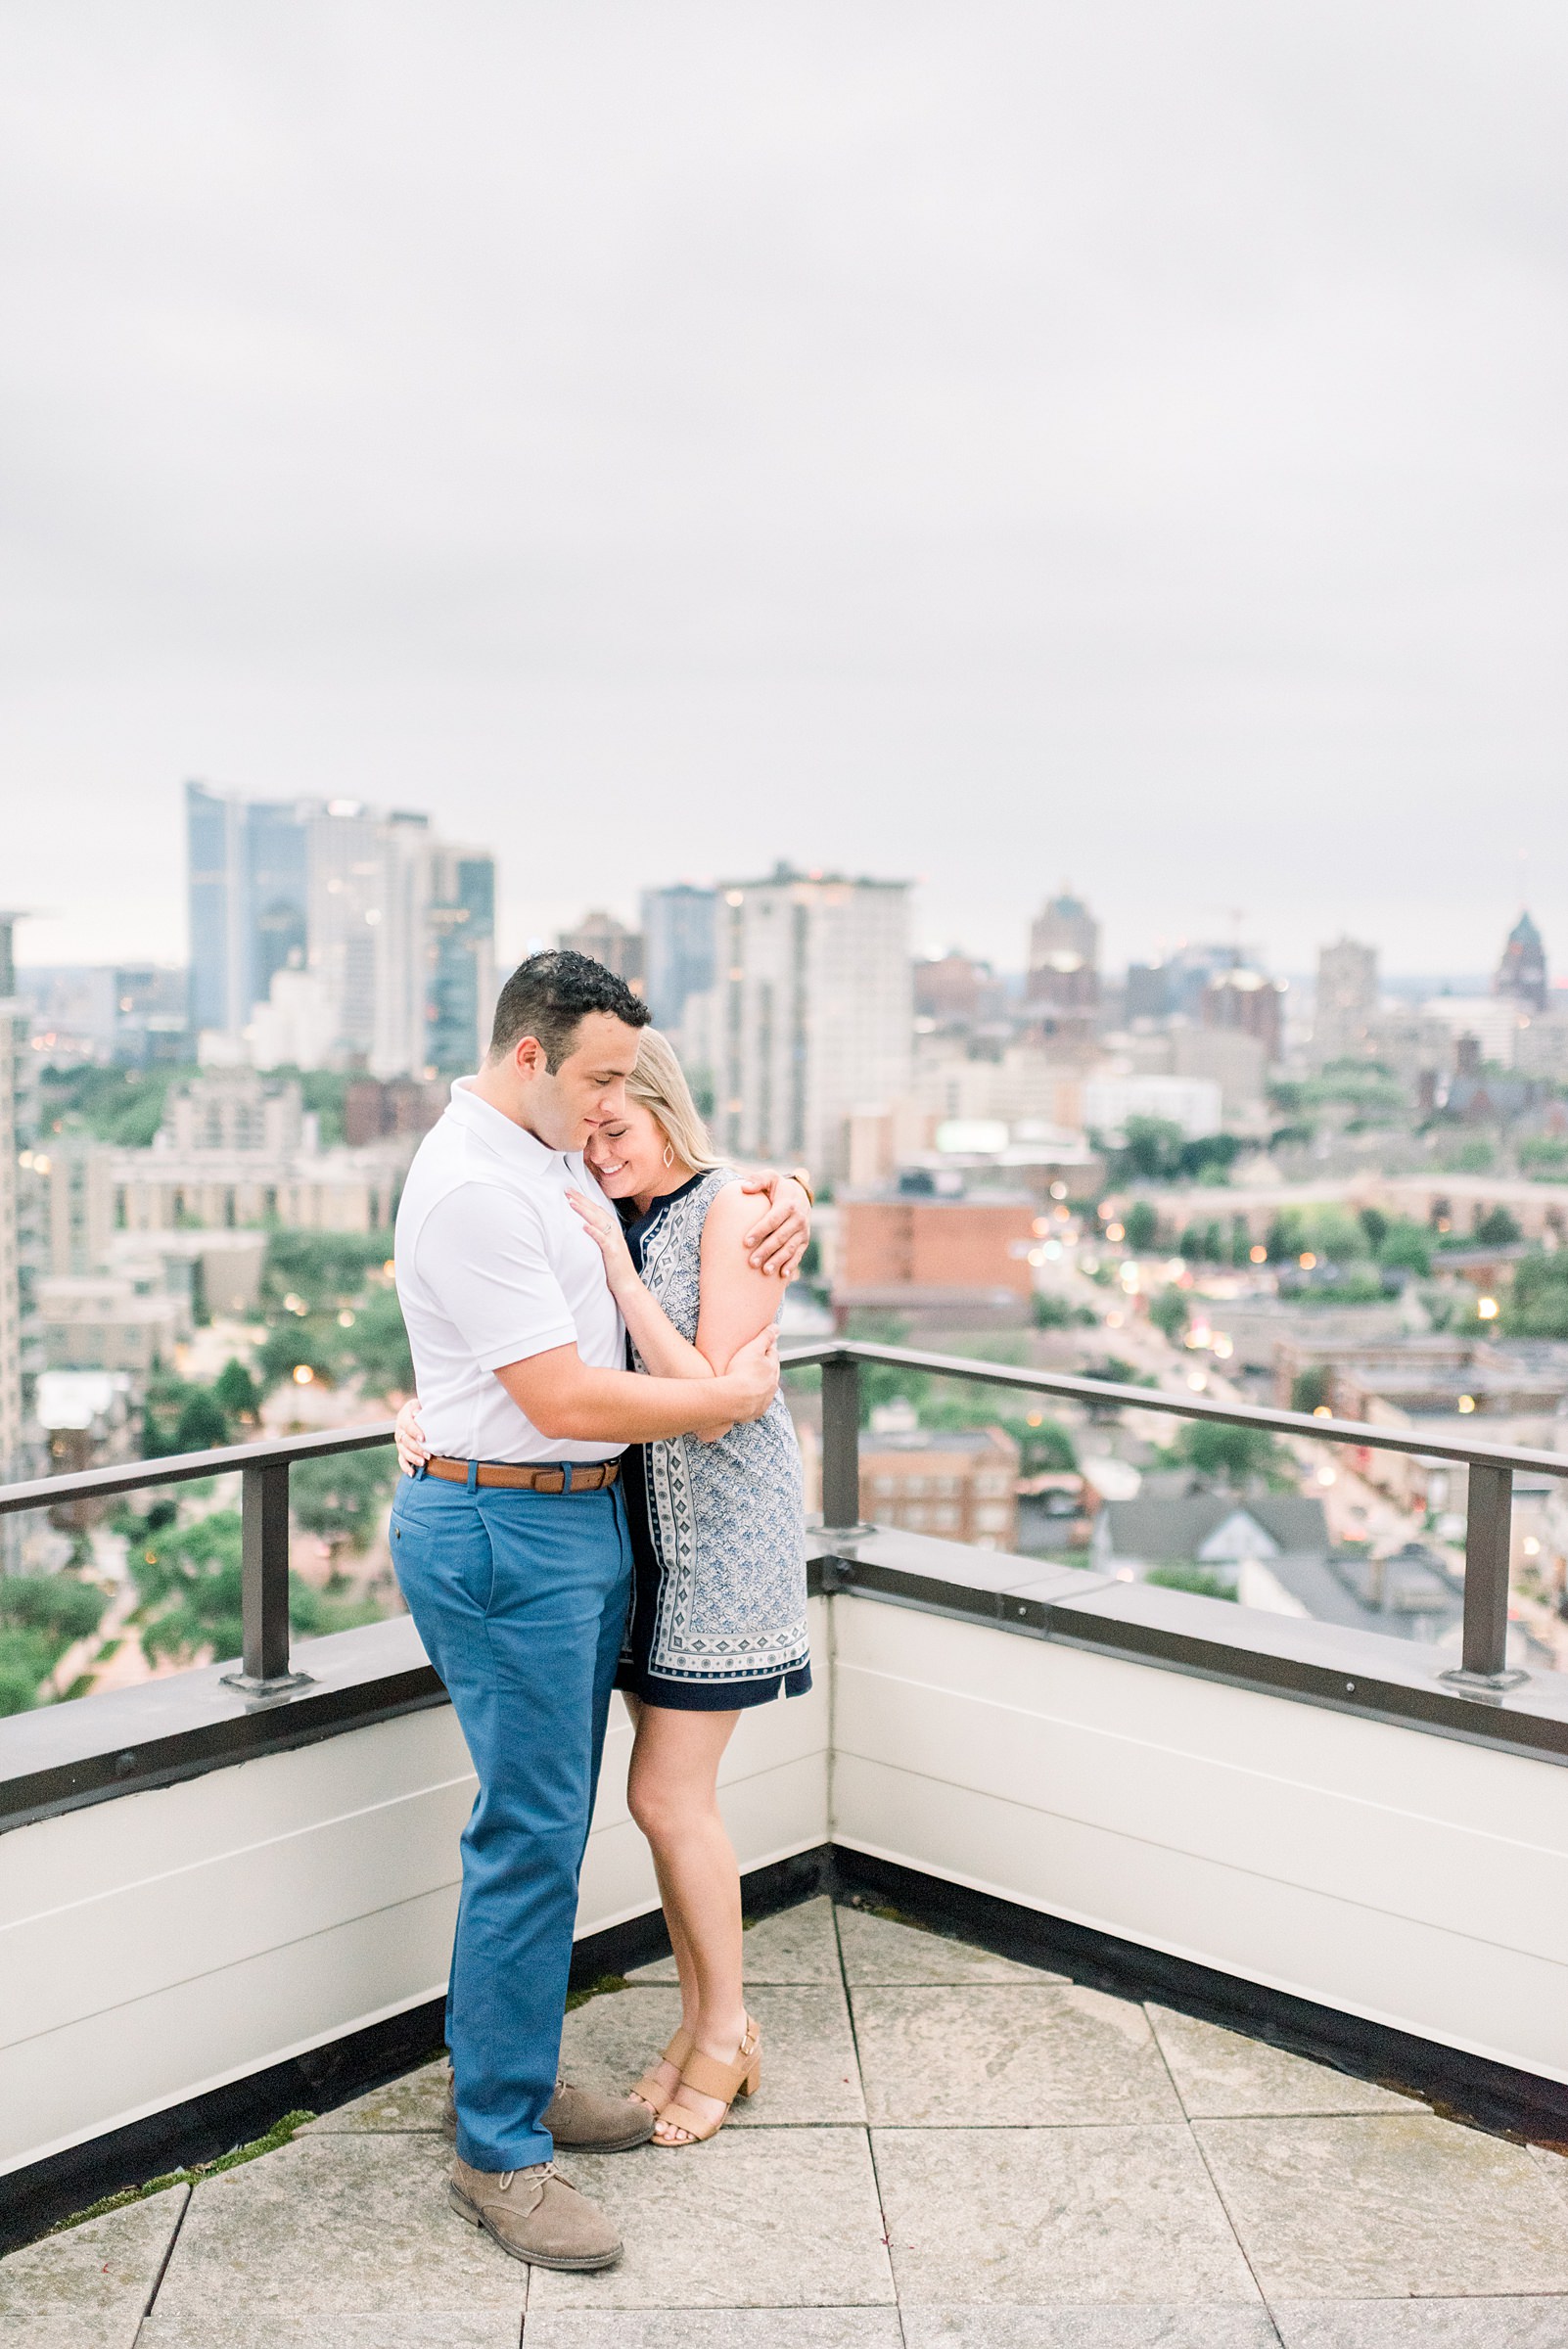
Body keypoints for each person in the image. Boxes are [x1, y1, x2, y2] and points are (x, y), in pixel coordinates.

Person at [389, 951, 809, 2274]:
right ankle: (499, 2152)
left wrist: (783, 1195)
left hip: (575, 1524)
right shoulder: (473, 1184)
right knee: (526, 1837)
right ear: (529, 1058)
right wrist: (729, 1405)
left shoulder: (549, 1151)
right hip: (509, 1528)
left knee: (550, 1828)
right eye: (598, 1078)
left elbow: (694, 1188)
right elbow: (566, 1397)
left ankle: (513, 2079)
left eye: (625, 1080)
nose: (611, 1101)